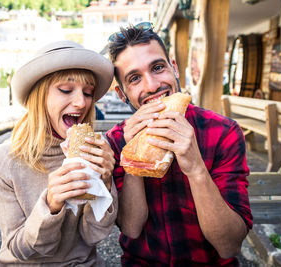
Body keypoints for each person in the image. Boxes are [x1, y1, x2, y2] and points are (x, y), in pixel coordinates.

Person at [106, 22, 252, 266]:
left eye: (158, 67)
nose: (152, 86)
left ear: (173, 68)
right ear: (122, 94)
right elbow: (131, 228)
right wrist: (133, 158)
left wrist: (195, 168)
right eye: (134, 78)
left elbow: (229, 245)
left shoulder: (223, 132)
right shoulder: (117, 139)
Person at [0, 40, 118, 266]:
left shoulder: (94, 151)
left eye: (88, 93)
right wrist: (51, 204)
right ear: (39, 96)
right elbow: (20, 250)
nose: (81, 102)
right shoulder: (0, 162)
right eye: (66, 89)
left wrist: (105, 182)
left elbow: (93, 235)